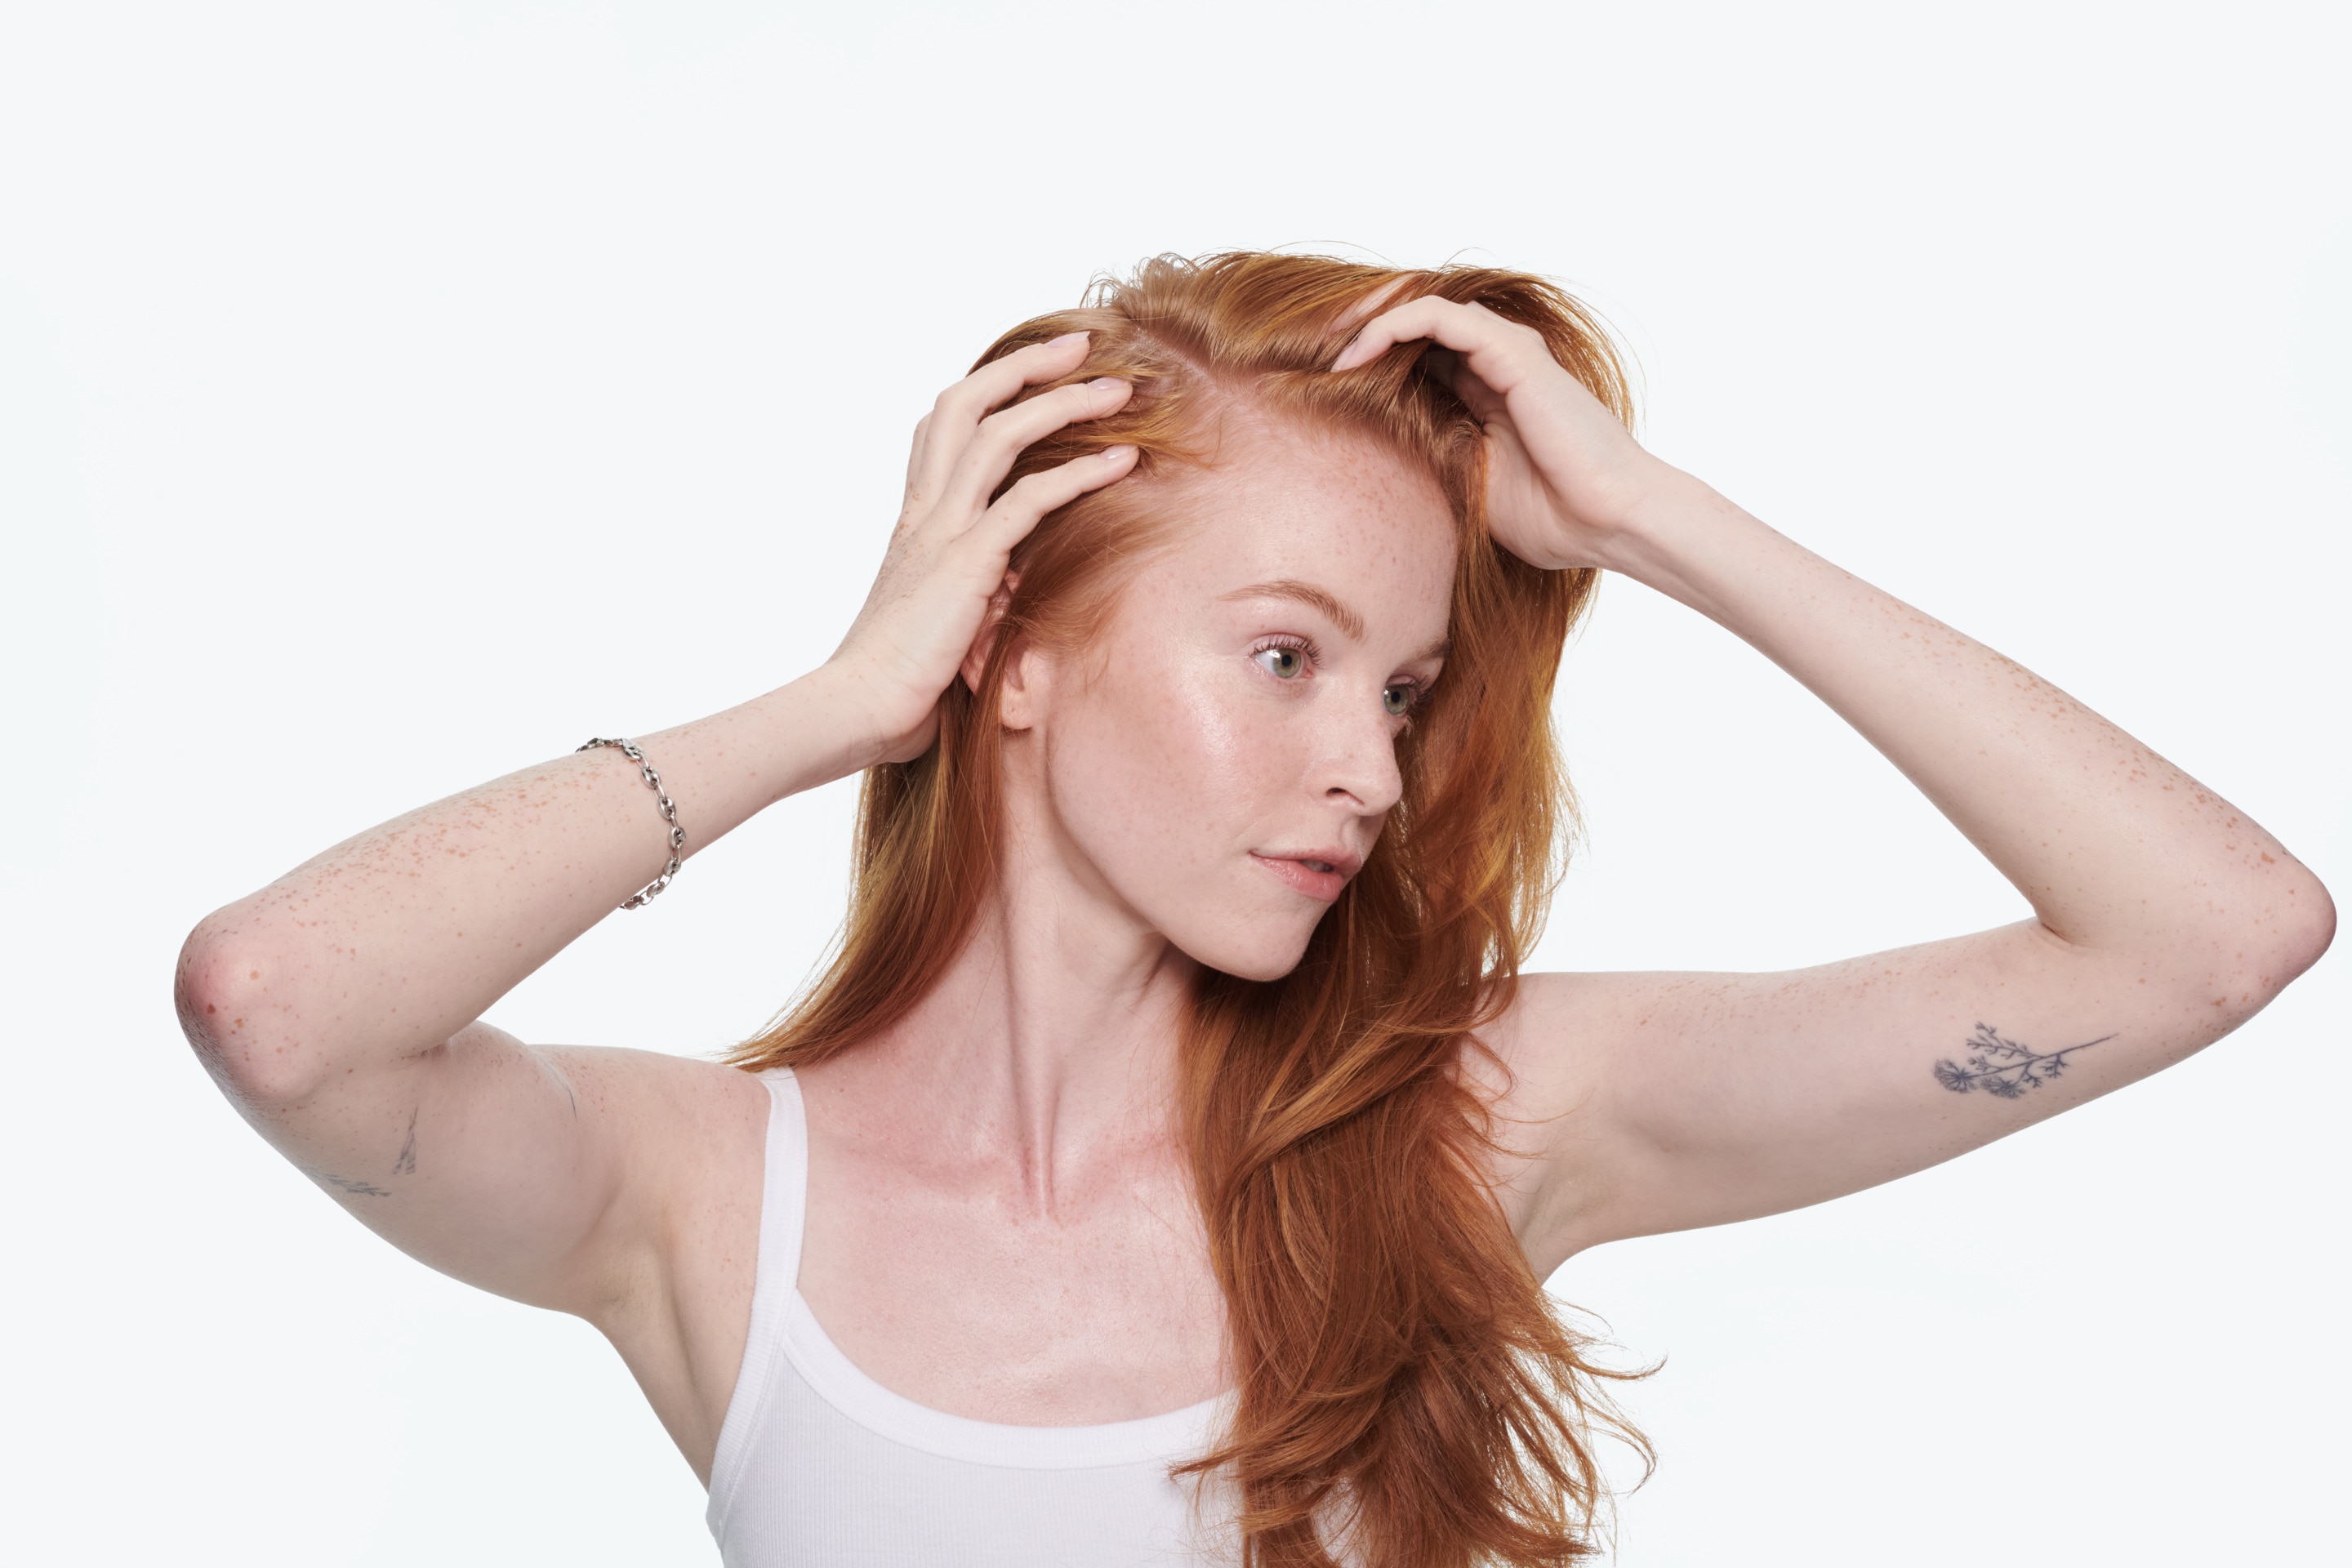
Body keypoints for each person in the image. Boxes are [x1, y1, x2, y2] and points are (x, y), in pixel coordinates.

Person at [175, 252, 2333, 1568]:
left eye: (1401, 690)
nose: (1374, 770)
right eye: (1287, 657)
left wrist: (1652, 526)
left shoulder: (1471, 1119)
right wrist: (834, 708)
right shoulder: (715, 1193)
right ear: (1011, 652)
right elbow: (276, 1003)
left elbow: (2211, 934)